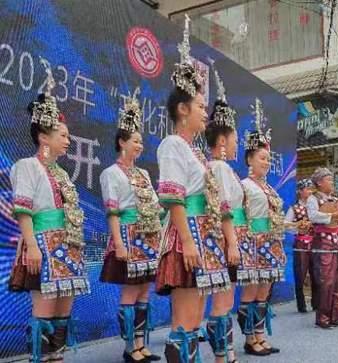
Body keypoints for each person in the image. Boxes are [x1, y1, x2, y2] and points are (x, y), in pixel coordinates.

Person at [155, 16, 230, 362]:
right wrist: (186, 241)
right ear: (183, 110)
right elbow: (173, 197)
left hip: (203, 236)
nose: (205, 114)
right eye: (201, 107)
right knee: (184, 323)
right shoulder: (172, 145)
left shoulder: (194, 151)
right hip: (190, 237)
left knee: (195, 321)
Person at [8, 70, 90, 363]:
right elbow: (24, 210)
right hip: (42, 245)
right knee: (43, 312)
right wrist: (31, 245)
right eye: (63, 135)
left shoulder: (62, 173)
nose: (68, 141)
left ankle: (57, 359)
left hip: (66, 248)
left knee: (62, 315)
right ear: (44, 136)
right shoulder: (27, 166)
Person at [99, 90, 162, 363]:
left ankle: (141, 343)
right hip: (127, 235)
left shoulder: (144, 174)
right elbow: (112, 212)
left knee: (145, 290)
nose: (140, 145)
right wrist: (120, 243)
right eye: (135, 141)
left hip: (148, 237)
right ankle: (129, 348)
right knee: (130, 290)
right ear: (122, 142)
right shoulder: (110, 174)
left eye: (141, 141)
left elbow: (157, 207)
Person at [237, 98, 286, 355]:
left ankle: (259, 335)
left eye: (268, 158)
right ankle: (248, 340)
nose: (266, 162)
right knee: (250, 292)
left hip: (270, 243)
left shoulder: (269, 187)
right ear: (249, 159)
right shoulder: (244, 186)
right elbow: (238, 218)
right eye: (262, 158)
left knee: (264, 293)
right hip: (252, 243)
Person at [202, 65, 243, 363]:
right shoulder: (219, 168)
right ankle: (222, 355)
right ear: (222, 142)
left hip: (220, 239)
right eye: (234, 139)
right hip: (220, 239)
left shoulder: (217, 167)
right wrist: (232, 242)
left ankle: (226, 352)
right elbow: (225, 210)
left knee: (224, 298)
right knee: (222, 298)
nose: (237, 144)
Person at [306, 167, 338, 329]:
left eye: (332, 180)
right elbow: (312, 216)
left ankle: (335, 316)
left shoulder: (337, 200)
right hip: (324, 242)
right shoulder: (313, 198)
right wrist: (332, 216)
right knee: (326, 281)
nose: (332, 183)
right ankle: (323, 318)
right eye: (329, 180)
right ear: (319, 182)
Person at [284, 179, 317, 313]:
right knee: (300, 274)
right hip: (301, 243)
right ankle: (301, 304)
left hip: (316, 243)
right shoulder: (295, 208)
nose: (309, 192)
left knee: (316, 273)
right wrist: (297, 229)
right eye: (307, 189)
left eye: (311, 189)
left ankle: (316, 303)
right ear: (299, 191)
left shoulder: (315, 206)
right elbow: (286, 224)